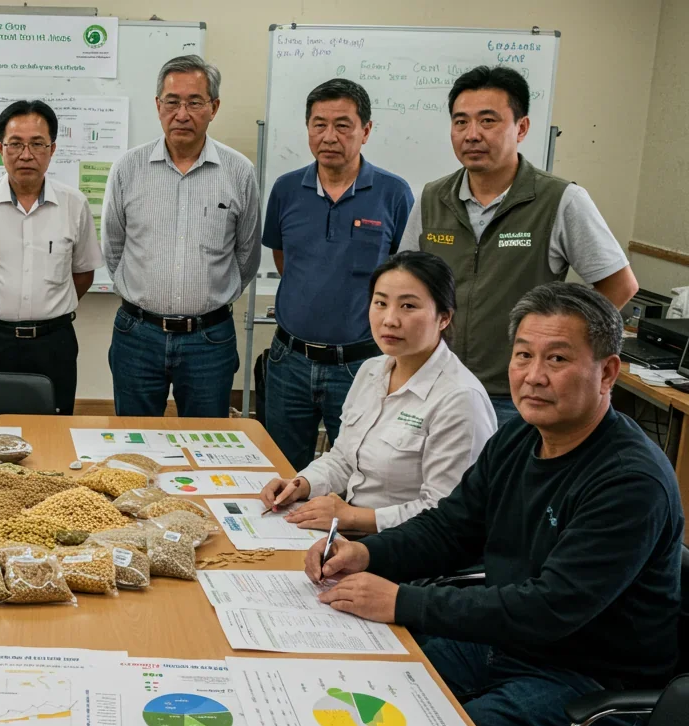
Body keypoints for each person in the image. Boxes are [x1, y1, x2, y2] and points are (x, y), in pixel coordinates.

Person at [306, 282, 682, 726]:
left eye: (557, 359)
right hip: (504, 644)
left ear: (607, 372)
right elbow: (451, 528)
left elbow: (549, 608)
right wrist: (367, 553)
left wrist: (402, 600)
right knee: (350, 692)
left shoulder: (630, 481)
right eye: (523, 355)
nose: (534, 376)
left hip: (585, 681)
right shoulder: (519, 437)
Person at [398, 65, 637, 425]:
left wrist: (564, 347)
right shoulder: (432, 198)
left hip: (517, 395)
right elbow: (406, 286)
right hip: (437, 385)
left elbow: (620, 285)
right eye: (461, 122)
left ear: (521, 128)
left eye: (488, 121)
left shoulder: (560, 200)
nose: (472, 134)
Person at [258, 252, 496, 533]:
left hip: (406, 546)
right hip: (349, 531)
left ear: (444, 317)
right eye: (381, 303)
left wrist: (351, 517)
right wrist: (302, 484)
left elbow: (447, 513)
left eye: (408, 306)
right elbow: (344, 459)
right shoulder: (371, 370)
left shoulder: (460, 399)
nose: (390, 320)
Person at [263, 79, 414, 470]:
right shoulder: (285, 189)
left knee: (361, 473)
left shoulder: (393, 194)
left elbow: (404, 275)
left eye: (343, 125)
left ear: (366, 130)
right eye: (319, 124)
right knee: (282, 471)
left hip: (361, 364)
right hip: (289, 362)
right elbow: (284, 260)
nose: (329, 136)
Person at [103, 55, 260, 417]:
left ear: (214, 107)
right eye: (172, 102)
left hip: (209, 339)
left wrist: (208, 297)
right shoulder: (128, 168)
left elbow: (246, 255)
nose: (182, 114)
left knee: (206, 439)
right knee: (133, 440)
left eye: (195, 102)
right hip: (137, 335)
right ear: (158, 106)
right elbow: (113, 247)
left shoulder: (239, 171)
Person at [0, 100, 103, 415]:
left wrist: (48, 311)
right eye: (16, 144)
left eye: (37, 144)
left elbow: (83, 274)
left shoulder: (75, 204)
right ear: (0, 148)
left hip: (53, 343)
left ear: (52, 149)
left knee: (54, 426)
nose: (26, 155)